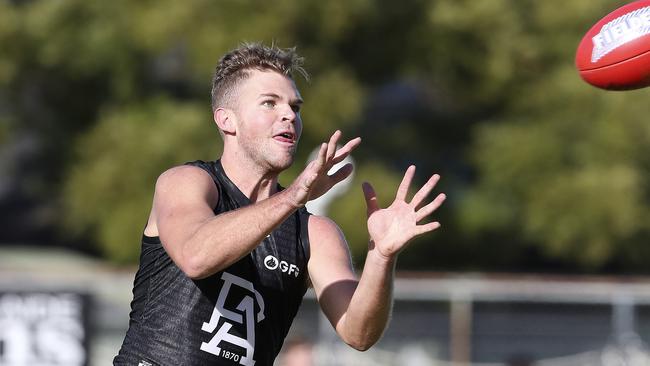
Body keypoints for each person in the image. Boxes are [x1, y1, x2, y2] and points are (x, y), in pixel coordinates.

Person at [114, 43, 446, 366]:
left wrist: (382, 257)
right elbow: (196, 257)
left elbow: (358, 333)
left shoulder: (313, 232)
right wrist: (295, 195)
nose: (288, 114)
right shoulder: (188, 182)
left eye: (295, 107)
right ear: (227, 120)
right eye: (269, 103)